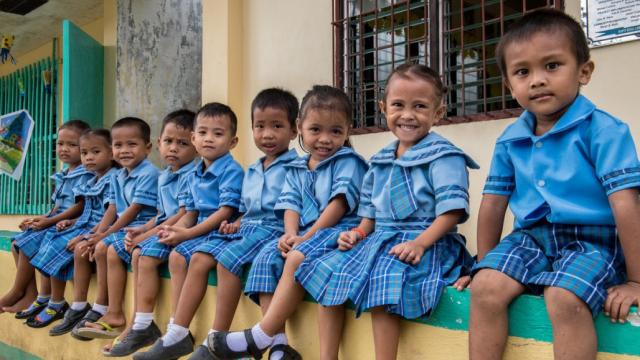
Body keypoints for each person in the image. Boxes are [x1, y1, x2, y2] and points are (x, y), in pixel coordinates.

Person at [469, 9, 640, 360]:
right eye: (522, 71)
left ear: (584, 71)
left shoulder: (605, 131)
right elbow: (492, 204)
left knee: (563, 297)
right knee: (485, 288)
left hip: (593, 240)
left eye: (552, 66)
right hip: (532, 237)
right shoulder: (509, 139)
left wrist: (636, 281)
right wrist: (484, 264)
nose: (537, 80)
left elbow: (627, 205)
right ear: (509, 84)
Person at [296, 64, 476, 360]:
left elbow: (452, 212)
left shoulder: (445, 156)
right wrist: (356, 234)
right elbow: (369, 218)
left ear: (438, 112)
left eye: (419, 106)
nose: (407, 115)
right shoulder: (379, 161)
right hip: (383, 239)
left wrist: (420, 243)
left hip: (427, 241)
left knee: (386, 276)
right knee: (328, 268)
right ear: (383, 108)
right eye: (398, 105)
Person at [209, 85, 368, 360]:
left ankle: (261, 335)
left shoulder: (348, 161)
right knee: (268, 255)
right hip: (306, 232)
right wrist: (290, 233)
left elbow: (338, 206)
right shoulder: (297, 167)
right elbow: (291, 204)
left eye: (336, 131)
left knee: (296, 257)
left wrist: (305, 238)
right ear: (301, 127)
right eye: (316, 129)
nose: (325, 139)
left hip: (339, 229)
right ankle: (279, 345)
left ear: (347, 130)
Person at [133, 102, 244, 360]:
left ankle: (197, 336)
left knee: (196, 259)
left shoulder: (231, 170)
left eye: (218, 134)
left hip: (222, 231)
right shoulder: (194, 172)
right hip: (201, 230)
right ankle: (177, 332)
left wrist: (186, 234)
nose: (209, 139)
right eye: (203, 133)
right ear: (194, 138)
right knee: (175, 255)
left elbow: (225, 213)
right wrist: (172, 231)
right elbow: (190, 213)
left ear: (233, 141)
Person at [105, 109, 198, 356]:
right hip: (167, 227)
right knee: (137, 253)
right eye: (168, 142)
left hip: (185, 229)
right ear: (158, 144)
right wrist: (141, 229)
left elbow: (183, 214)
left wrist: (149, 234)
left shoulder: (193, 174)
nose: (173, 149)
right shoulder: (165, 175)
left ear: (196, 145)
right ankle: (141, 324)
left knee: (144, 255)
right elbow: (162, 213)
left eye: (182, 143)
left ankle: (167, 329)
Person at [75, 117, 160, 339]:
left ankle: (114, 312)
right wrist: (96, 234)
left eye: (132, 144)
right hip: (123, 228)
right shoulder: (118, 175)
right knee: (98, 245)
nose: (124, 151)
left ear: (148, 148)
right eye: (118, 145)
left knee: (107, 248)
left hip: (141, 227)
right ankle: (104, 308)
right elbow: (112, 208)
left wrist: (106, 234)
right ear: (112, 150)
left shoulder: (149, 173)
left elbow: (133, 210)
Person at [0, 120, 92, 319]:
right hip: (57, 220)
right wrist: (40, 218)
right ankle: (30, 294)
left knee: (31, 242)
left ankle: (20, 292)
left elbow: (80, 206)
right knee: (18, 241)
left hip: (72, 224)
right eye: (60, 144)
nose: (64, 149)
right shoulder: (64, 174)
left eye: (72, 145)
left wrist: (49, 222)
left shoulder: (85, 174)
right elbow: (58, 205)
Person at [28, 129, 118, 332]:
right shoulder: (92, 179)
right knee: (52, 236)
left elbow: (110, 213)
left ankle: (72, 305)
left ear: (111, 153)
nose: (89, 158)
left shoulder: (114, 177)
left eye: (95, 152)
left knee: (68, 246)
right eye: (85, 153)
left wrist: (87, 235)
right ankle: (59, 302)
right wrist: (71, 222)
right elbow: (87, 211)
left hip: (103, 229)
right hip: (85, 225)